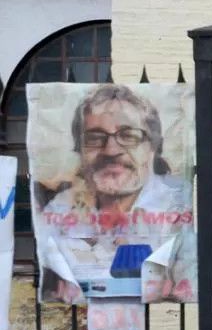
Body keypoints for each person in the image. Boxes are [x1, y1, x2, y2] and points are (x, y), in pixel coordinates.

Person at [35, 83, 196, 303]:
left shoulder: (183, 202)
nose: (111, 150)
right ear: (79, 149)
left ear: (153, 147)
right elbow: (49, 285)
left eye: (129, 135)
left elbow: (194, 289)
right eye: (94, 137)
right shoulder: (61, 208)